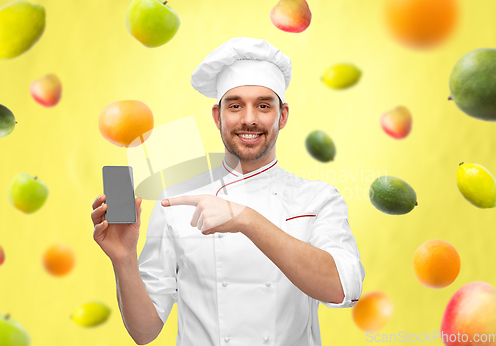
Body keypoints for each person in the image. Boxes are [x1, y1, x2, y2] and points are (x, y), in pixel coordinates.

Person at [91, 36, 365, 346]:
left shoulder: (318, 198)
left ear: (283, 115)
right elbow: (144, 332)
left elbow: (345, 288)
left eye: (263, 106)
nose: (249, 119)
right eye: (235, 106)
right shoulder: (175, 201)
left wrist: (245, 219)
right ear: (217, 116)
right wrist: (124, 259)